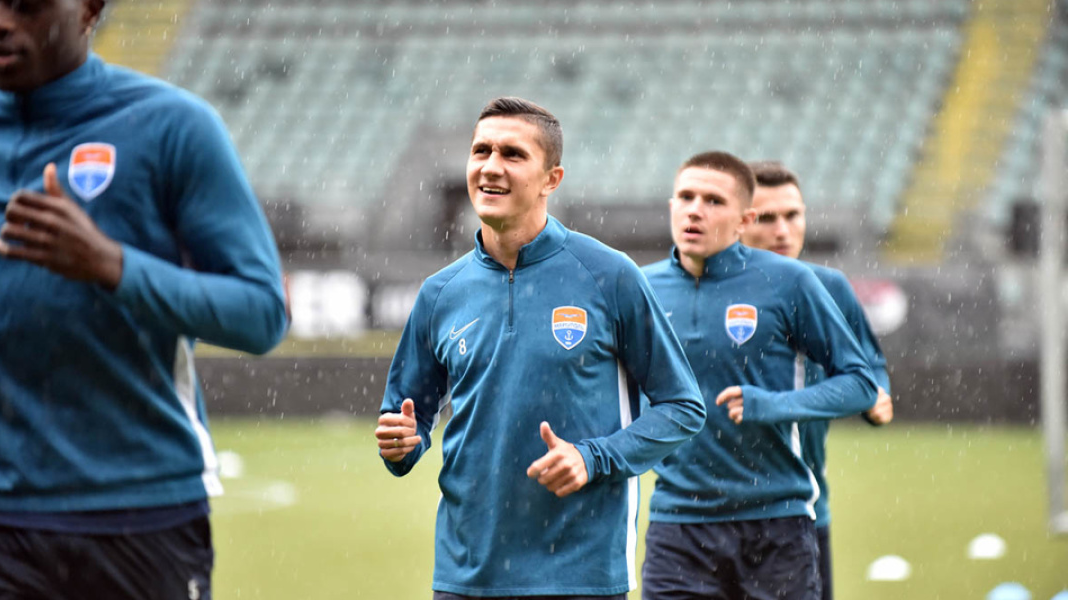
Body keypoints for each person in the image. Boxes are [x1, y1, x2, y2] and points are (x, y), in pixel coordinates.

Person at [0, 1, 287, 598]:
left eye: (25, 4)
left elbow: (260, 313)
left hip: (139, 514)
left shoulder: (172, 126)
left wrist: (111, 265)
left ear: (89, 10)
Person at [375, 97, 706, 599]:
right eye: (481, 151)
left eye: (513, 154)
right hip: (466, 578)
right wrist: (402, 442)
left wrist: (593, 458)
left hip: (581, 576)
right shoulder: (440, 293)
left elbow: (683, 407)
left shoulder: (609, 275)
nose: (491, 166)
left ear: (552, 179)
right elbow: (408, 421)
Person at [639, 151, 878, 600]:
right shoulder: (639, 288)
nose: (695, 210)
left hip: (776, 524)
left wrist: (774, 405)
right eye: (686, 197)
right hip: (677, 527)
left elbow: (861, 384)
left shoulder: (789, 282)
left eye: (713, 200)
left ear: (744, 220)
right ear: (671, 206)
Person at [741, 160, 893, 600]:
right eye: (767, 218)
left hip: (802, 508)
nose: (783, 230)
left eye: (793, 215)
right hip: (709, 516)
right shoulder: (709, 290)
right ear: (740, 221)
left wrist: (878, 395)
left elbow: (868, 365)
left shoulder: (829, 287)